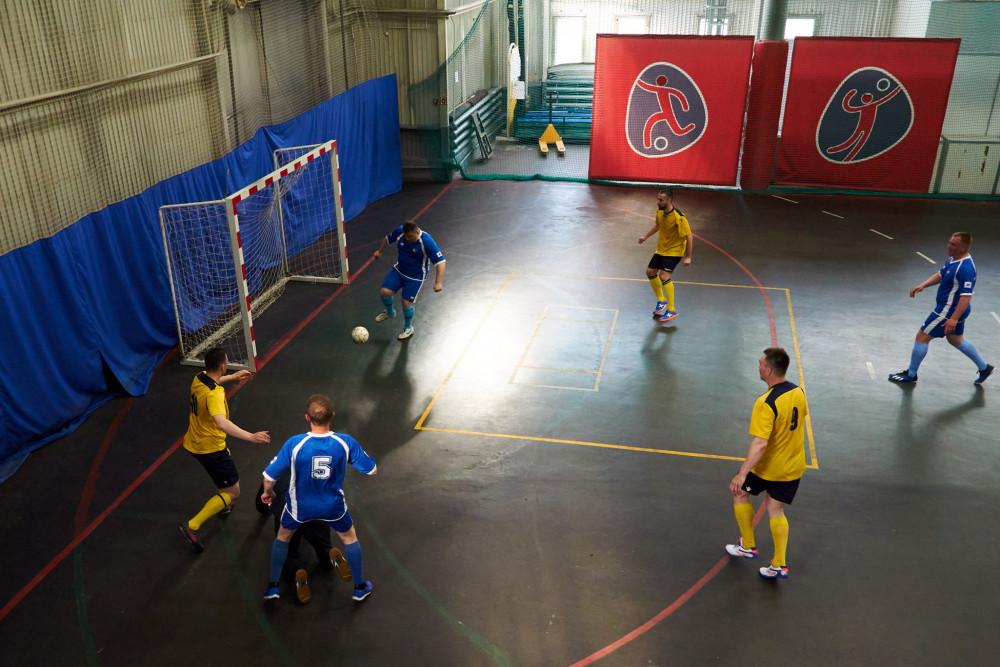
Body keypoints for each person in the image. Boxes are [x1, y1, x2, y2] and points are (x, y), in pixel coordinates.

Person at [261, 394, 377, 603]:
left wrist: (268, 493)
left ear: (307, 417)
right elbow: (371, 470)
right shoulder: (345, 442)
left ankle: (273, 587)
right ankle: (360, 587)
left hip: (299, 507)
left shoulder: (295, 443)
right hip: (332, 506)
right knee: (350, 539)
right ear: (332, 416)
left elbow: (269, 476)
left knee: (282, 538)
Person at [725, 347, 809, 580]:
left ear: (769, 371)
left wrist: (742, 473)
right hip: (793, 467)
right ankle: (779, 564)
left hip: (768, 467)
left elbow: (760, 444)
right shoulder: (799, 392)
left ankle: (748, 546)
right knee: (775, 509)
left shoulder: (766, 402)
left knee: (739, 492)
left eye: (761, 364)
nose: (759, 367)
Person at [180, 347, 270, 552]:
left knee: (224, 476)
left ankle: (222, 502)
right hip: (210, 447)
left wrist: (233, 377)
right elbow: (221, 423)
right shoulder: (215, 395)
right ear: (222, 366)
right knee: (233, 491)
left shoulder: (199, 378)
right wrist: (251, 436)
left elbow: (214, 381)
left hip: (194, 441)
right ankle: (193, 525)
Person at [888, 232, 993, 385]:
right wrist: (923, 285)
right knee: (955, 339)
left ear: (963, 247)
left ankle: (911, 375)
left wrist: (953, 319)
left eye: (953, 244)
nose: (948, 246)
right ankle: (984, 368)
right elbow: (941, 274)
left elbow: (966, 297)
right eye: (949, 242)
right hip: (954, 310)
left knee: (922, 337)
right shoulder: (953, 260)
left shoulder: (965, 268)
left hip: (948, 311)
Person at [372, 219, 445, 340]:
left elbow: (441, 262)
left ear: (417, 232)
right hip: (399, 270)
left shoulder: (426, 241)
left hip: (416, 277)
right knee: (384, 292)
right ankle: (390, 313)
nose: (407, 239)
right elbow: (387, 239)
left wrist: (438, 282)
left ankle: (408, 328)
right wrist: (380, 251)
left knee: (406, 303)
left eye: (410, 237)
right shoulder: (400, 232)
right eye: (405, 236)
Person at [638, 188, 692, 322]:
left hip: (675, 250)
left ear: (669, 200)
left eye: (661, 200)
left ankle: (671, 310)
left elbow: (689, 236)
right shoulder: (660, 211)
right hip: (662, 248)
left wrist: (688, 256)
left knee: (664, 276)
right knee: (650, 272)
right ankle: (661, 300)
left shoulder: (679, 217)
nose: (658, 202)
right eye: (658, 199)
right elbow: (658, 226)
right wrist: (645, 237)